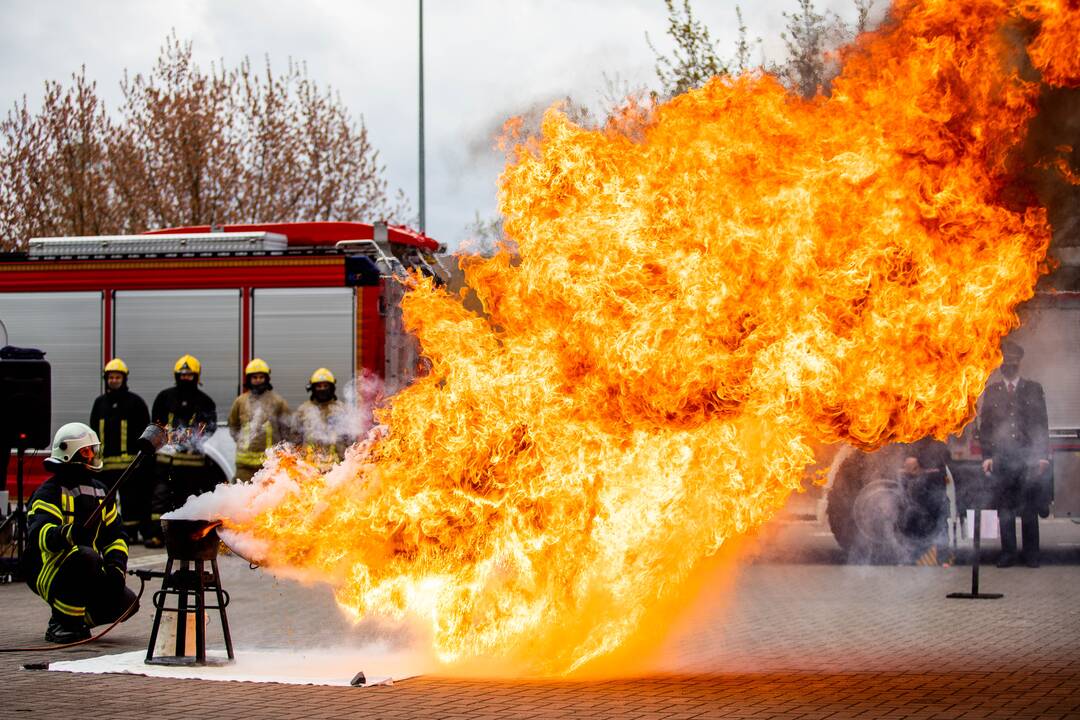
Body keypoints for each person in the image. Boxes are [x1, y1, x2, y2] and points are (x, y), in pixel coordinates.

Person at [24, 422, 139, 643]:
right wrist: (70, 534)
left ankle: (74, 621)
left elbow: (115, 535)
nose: (93, 456)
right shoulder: (49, 492)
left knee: (127, 603)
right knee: (86, 556)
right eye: (87, 452)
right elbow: (40, 534)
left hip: (88, 567)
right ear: (70, 455)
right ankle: (62, 623)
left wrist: (116, 568)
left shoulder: (101, 491)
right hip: (48, 568)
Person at [977, 340, 1052, 568]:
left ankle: (1031, 554)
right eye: (1005, 360)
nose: (1009, 363)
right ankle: (1008, 553)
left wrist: (1042, 456)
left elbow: (1041, 424)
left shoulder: (1033, 389)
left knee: (1029, 508)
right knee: (1006, 509)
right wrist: (987, 456)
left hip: (1028, 458)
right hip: (1003, 459)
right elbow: (986, 428)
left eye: (1013, 359)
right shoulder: (992, 392)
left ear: (1020, 362)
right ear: (1000, 364)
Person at [148, 354, 219, 547]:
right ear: (176, 375)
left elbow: (209, 428)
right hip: (165, 462)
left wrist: (191, 440)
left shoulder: (205, 401)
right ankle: (157, 535)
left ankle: (185, 537)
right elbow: (156, 424)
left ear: (196, 377)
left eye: (189, 375)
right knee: (160, 500)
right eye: (182, 375)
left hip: (191, 466)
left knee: (187, 500)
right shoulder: (165, 397)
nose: (185, 378)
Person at [89, 358, 151, 543]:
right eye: (111, 377)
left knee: (131, 503)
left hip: (128, 466)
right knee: (104, 503)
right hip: (103, 467)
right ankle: (105, 533)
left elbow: (144, 433)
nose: (114, 380)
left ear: (124, 379)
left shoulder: (135, 403)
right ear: (106, 379)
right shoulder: (99, 403)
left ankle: (130, 534)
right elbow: (93, 432)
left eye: (117, 377)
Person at [227, 358, 291, 482]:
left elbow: (287, 429)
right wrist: (242, 441)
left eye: (261, 377)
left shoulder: (277, 402)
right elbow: (233, 425)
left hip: (270, 464)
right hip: (244, 467)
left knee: (269, 499)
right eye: (254, 377)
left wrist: (279, 450)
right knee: (243, 498)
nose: (258, 380)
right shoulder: (240, 401)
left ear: (266, 379)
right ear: (249, 379)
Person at [292, 368, 353, 470]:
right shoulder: (303, 410)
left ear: (332, 388)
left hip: (337, 470)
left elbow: (350, 440)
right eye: (319, 386)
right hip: (310, 470)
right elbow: (295, 440)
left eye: (326, 386)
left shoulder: (343, 410)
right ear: (313, 388)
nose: (322, 389)